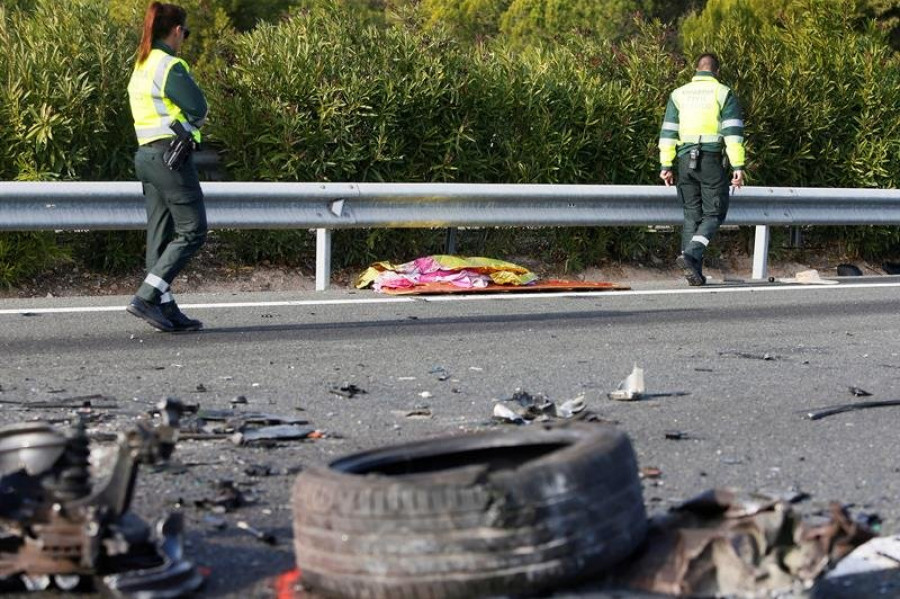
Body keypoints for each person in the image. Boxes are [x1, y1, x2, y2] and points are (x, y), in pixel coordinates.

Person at [126, 2, 208, 331]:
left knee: (159, 237)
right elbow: (198, 106)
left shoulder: (141, 64)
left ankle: (165, 306)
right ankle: (146, 296)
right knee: (193, 230)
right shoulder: (169, 65)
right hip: (170, 156)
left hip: (145, 157)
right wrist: (186, 128)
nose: (184, 38)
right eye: (185, 33)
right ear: (176, 31)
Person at [658, 53, 745, 286]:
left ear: (696, 70)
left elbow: (668, 132)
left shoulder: (678, 94)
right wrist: (738, 166)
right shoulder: (723, 92)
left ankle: (693, 272)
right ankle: (691, 253)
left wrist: (666, 165)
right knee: (715, 213)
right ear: (717, 72)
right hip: (710, 160)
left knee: (691, 215)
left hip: (684, 161)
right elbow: (733, 134)